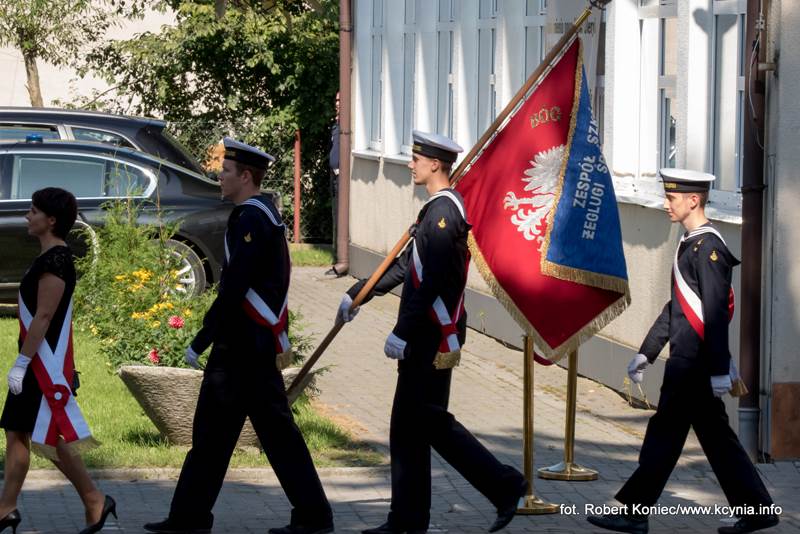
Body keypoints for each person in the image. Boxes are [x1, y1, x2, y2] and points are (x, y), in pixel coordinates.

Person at [337, 131, 527, 534]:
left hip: (430, 335)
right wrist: (357, 295)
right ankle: (409, 519)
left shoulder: (444, 215)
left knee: (423, 423)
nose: (411, 164)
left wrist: (402, 331)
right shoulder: (434, 211)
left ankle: (503, 484)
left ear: (435, 165)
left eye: (416, 158)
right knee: (413, 427)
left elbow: (433, 281)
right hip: (426, 335)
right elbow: (406, 266)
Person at [144, 138, 333, 534]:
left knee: (230, 437)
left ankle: (192, 518)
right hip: (251, 347)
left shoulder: (249, 218)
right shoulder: (264, 213)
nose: (220, 176)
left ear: (246, 177)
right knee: (232, 437)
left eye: (226, 171)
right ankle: (193, 517)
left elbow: (235, 287)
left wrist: (202, 339)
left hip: (241, 349)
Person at [587, 169, 779, 534]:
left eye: (672, 198)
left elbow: (716, 312)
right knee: (710, 439)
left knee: (666, 436)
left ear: (694, 200)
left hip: (695, 365)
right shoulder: (691, 244)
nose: (665, 204)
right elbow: (676, 306)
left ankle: (634, 512)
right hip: (688, 362)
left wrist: (720, 368)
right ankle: (757, 509)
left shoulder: (708, 249)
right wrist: (648, 351)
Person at [1, 187, 116, 534]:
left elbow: (44, 317)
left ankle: (94, 499)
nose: (27, 216)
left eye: (33, 211)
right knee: (19, 432)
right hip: (37, 362)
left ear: (51, 220)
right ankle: (6, 507)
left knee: (51, 438)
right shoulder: (49, 257)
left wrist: (22, 363)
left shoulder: (56, 261)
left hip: (41, 365)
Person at [326, 91, 342, 277]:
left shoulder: (346, 125)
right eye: (336, 100)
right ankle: (337, 257)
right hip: (335, 179)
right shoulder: (337, 125)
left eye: (340, 100)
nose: (337, 104)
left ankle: (340, 261)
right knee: (336, 219)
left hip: (342, 179)